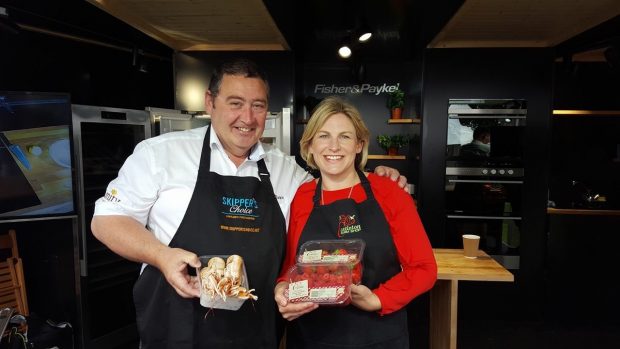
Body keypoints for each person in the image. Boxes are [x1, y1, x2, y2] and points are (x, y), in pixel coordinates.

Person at [90, 59, 407, 349]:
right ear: (210, 103)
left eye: (258, 105)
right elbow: (106, 220)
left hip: (256, 332)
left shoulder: (285, 169)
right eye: (235, 103)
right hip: (178, 331)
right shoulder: (160, 154)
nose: (248, 117)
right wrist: (161, 256)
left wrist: (379, 179)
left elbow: (337, 186)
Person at [274, 97, 437, 348]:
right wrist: (282, 289)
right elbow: (292, 266)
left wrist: (378, 299)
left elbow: (424, 268)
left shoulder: (389, 192)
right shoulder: (303, 196)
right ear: (310, 145)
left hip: (377, 335)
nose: (334, 146)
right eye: (324, 136)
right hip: (312, 337)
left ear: (359, 144)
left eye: (345, 137)